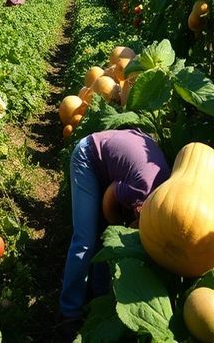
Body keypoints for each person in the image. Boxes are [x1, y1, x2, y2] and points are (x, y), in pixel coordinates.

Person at [59, 129, 171, 322]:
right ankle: (69, 311)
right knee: (85, 241)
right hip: (88, 155)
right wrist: (115, 224)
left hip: (118, 159)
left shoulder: (164, 192)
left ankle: (98, 297)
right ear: (140, 210)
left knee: (106, 240)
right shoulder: (141, 190)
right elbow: (110, 196)